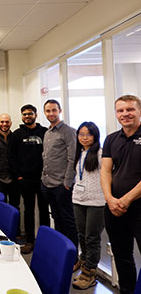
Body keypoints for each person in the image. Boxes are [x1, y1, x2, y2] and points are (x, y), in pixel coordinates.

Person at [101, 95, 141, 294]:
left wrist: (126, 199)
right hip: (114, 208)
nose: (125, 114)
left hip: (138, 207)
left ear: (139, 111)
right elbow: (106, 170)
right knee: (122, 255)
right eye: (120, 110)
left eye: (130, 109)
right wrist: (109, 199)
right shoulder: (111, 139)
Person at [41, 99, 79, 266]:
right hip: (47, 183)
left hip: (61, 185)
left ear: (60, 111)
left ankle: (73, 257)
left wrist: (67, 183)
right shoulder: (48, 132)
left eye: (54, 110)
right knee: (56, 218)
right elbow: (46, 157)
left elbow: (72, 159)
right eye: (48, 111)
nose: (51, 114)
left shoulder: (68, 131)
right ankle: (62, 251)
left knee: (68, 220)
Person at [8, 104, 50, 254]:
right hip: (25, 179)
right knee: (29, 210)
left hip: (43, 179)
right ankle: (30, 241)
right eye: (24, 114)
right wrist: (18, 175)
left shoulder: (45, 132)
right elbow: (11, 157)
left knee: (44, 211)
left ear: (36, 115)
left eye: (30, 114)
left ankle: (45, 241)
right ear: (21, 116)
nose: (27, 116)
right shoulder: (17, 135)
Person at [71, 122, 105, 290]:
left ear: (95, 136)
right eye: (81, 134)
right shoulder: (80, 152)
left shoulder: (100, 153)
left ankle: (90, 273)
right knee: (82, 235)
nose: (84, 137)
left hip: (96, 201)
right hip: (79, 199)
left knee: (92, 238)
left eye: (88, 134)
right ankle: (84, 263)